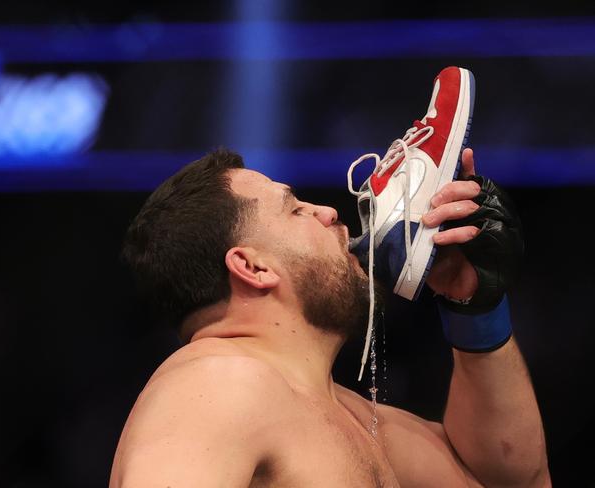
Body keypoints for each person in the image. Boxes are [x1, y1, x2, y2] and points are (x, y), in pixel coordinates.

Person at [109, 145, 550, 487]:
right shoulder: (218, 385)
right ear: (253, 267)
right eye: (296, 209)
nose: (328, 211)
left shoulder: (343, 413)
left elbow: (503, 480)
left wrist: (474, 306)